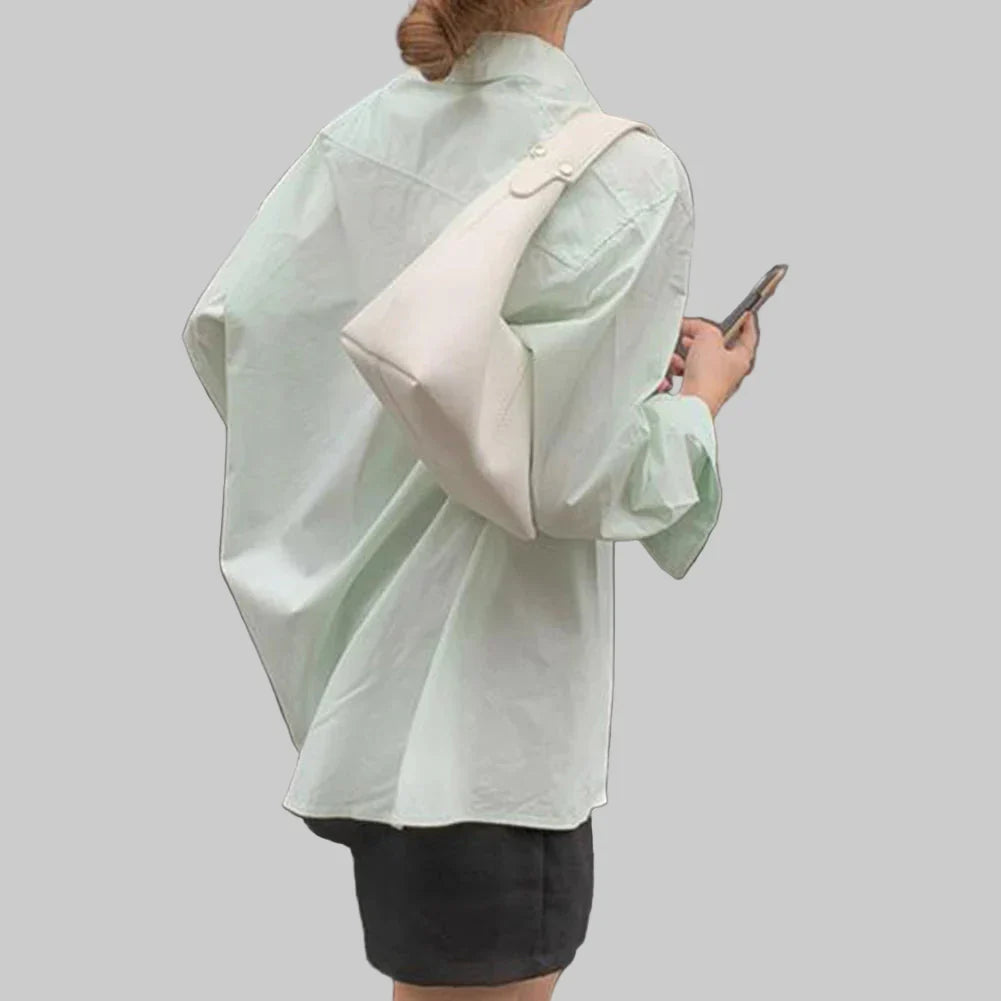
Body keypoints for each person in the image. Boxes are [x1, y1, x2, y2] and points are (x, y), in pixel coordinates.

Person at [182, 2, 759, 999]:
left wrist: (369, 479)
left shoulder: (361, 137)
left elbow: (236, 334)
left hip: (366, 693)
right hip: (489, 721)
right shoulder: (622, 174)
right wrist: (696, 406)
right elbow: (577, 477)